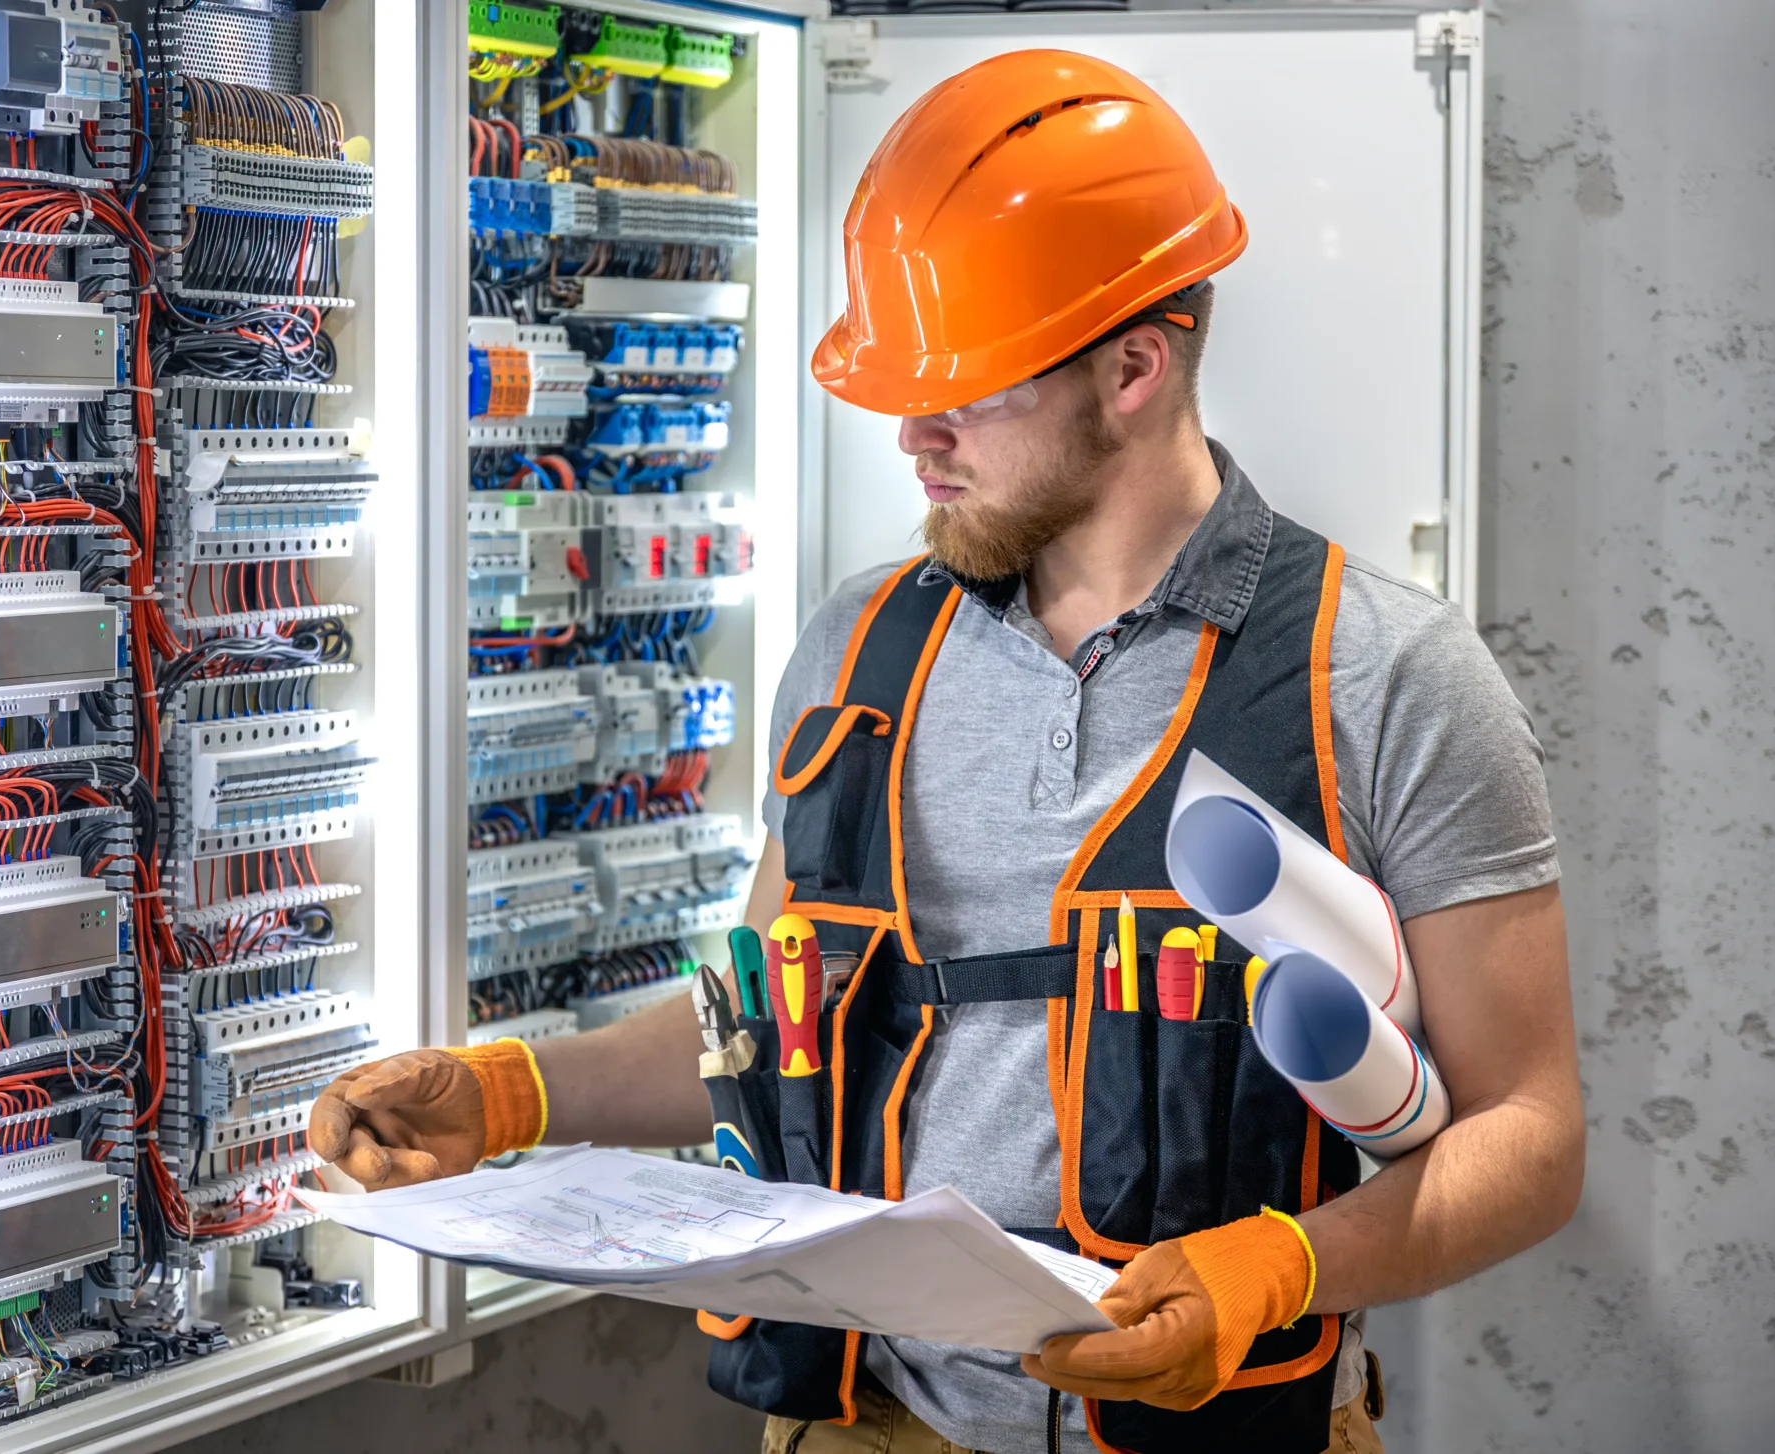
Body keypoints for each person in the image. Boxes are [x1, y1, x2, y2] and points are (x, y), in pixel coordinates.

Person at [314, 50, 1582, 1454]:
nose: (911, 434)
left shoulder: (1388, 675)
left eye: (962, 390)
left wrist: (1282, 1266)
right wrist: (515, 1092)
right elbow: (762, 1029)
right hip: (871, 1431)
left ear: (1134, 369)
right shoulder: (856, 652)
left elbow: (1529, 1133)